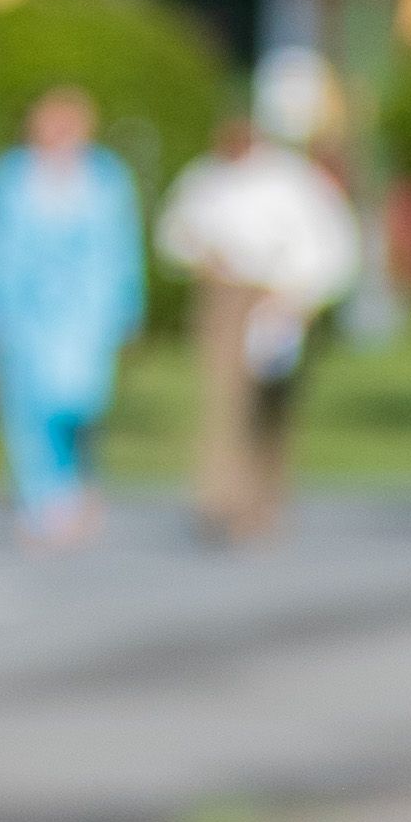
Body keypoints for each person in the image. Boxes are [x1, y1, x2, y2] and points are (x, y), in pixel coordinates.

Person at [157, 113, 360, 542]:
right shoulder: (204, 178)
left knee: (271, 404)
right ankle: (220, 499)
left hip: (278, 298)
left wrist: (300, 296)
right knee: (224, 401)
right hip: (225, 295)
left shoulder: (292, 181)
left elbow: (332, 245)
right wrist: (200, 254)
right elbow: (173, 236)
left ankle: (265, 499)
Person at [0, 85, 145, 545]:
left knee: (77, 402)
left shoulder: (106, 178)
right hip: (21, 310)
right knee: (26, 407)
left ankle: (77, 483)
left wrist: (128, 306)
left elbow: (122, 248)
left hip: (85, 313)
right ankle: (43, 501)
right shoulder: (8, 175)